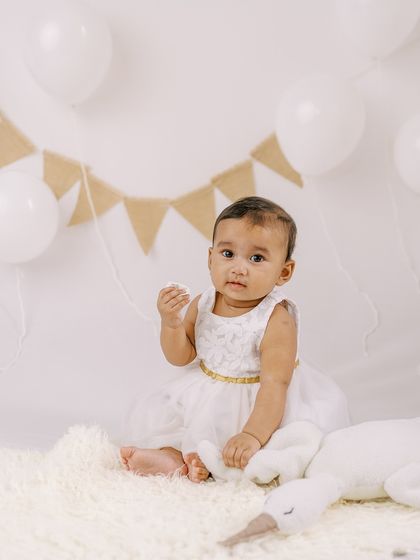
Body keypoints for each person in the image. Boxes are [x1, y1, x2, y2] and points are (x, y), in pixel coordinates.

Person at [120, 196, 350, 483]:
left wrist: (252, 434)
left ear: (284, 271)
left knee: (273, 449)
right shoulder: (203, 302)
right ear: (210, 257)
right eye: (228, 254)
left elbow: (275, 383)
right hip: (207, 393)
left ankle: (220, 459)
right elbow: (181, 357)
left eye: (256, 258)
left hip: (262, 403)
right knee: (177, 422)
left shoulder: (276, 319)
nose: (239, 268)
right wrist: (171, 324)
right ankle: (175, 458)